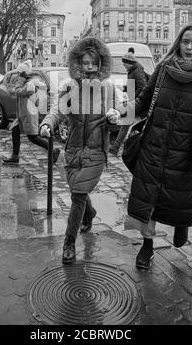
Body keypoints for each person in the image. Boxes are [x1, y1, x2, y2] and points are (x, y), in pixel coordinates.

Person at [127, 23, 192, 270]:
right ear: (178, 42)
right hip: (153, 147)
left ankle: (182, 223)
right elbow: (143, 100)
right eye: (185, 41)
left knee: (177, 198)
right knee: (147, 201)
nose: (189, 47)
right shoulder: (164, 68)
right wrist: (121, 112)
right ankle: (147, 246)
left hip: (185, 153)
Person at [40, 37, 132, 264]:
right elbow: (57, 110)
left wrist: (114, 118)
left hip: (95, 152)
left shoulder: (109, 88)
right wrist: (47, 123)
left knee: (78, 195)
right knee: (78, 194)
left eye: (93, 63)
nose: (89, 67)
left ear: (100, 64)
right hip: (72, 150)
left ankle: (69, 243)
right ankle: (89, 214)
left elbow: (118, 117)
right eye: (85, 63)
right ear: (77, 64)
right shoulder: (69, 87)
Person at [2, 60, 61, 165]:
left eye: (20, 73)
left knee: (33, 137)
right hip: (24, 114)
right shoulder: (29, 82)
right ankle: (15, 156)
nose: (19, 75)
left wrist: (20, 80)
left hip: (28, 114)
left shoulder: (31, 83)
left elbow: (18, 92)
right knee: (15, 131)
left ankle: (53, 150)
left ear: (24, 73)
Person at [109, 51, 147, 156]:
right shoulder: (132, 71)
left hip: (139, 103)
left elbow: (142, 86)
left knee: (127, 124)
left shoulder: (137, 71)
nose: (123, 65)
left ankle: (117, 148)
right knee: (127, 124)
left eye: (124, 63)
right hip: (135, 103)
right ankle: (116, 148)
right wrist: (125, 88)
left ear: (128, 62)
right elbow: (134, 85)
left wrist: (134, 99)